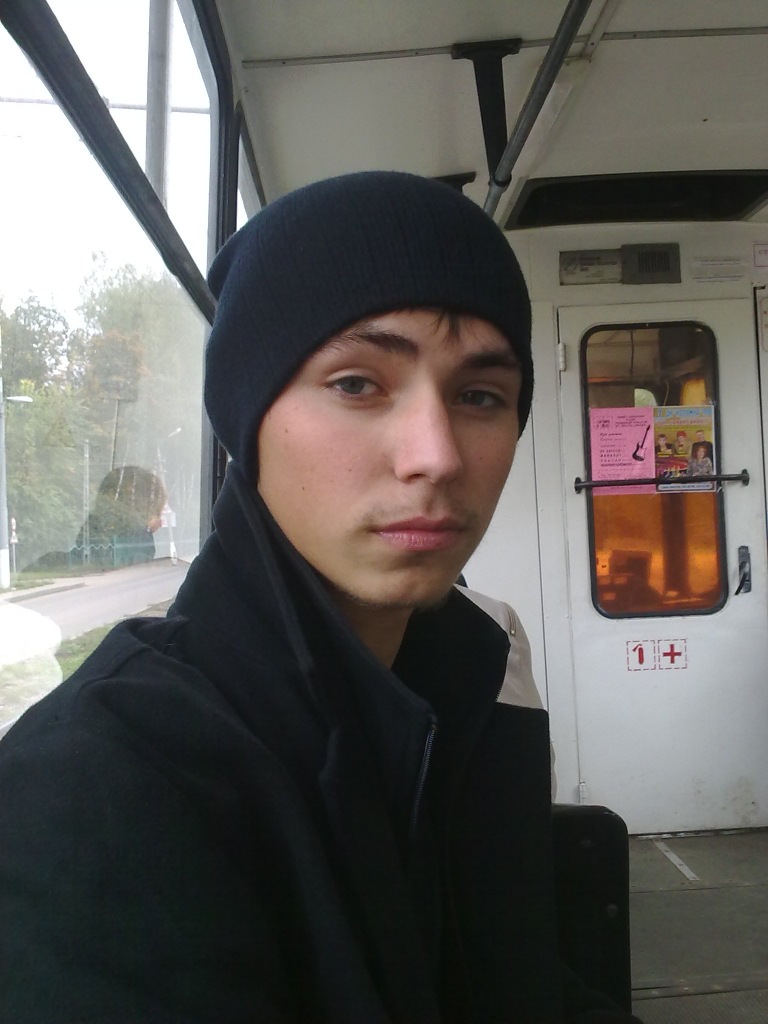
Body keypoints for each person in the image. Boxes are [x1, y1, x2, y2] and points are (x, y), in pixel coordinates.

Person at [0, 172, 642, 1023]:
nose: (437, 455)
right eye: (356, 384)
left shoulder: (476, 689)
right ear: (248, 417)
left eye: (479, 395)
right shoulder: (101, 784)